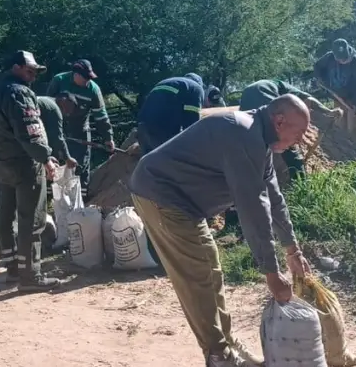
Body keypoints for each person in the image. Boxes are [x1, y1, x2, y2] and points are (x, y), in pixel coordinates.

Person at [129, 94, 313, 367]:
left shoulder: (260, 140)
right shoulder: (242, 133)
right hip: (161, 194)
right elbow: (253, 208)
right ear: (279, 120)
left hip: (183, 202)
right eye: (298, 132)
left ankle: (225, 342)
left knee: (210, 269)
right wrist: (272, 274)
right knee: (199, 276)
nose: (299, 140)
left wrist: (292, 249)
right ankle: (218, 355)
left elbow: (274, 198)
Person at [0, 50, 60, 292]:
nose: (34, 75)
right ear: (15, 67)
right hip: (25, 164)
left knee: (6, 216)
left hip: (0, 162)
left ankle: (12, 269)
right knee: (31, 221)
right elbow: (30, 131)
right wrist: (45, 158)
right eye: (30, 69)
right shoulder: (19, 92)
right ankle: (31, 276)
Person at [46, 59, 114, 201]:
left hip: (80, 127)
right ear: (75, 74)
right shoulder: (59, 81)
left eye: (90, 78)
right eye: (85, 78)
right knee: (54, 158)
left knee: (81, 163)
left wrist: (108, 138)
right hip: (59, 125)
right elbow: (49, 106)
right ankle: (50, 196)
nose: (88, 81)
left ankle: (82, 199)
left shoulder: (93, 90)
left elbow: (101, 116)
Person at [239, 79, 330, 181]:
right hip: (265, 111)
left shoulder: (270, 93)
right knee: (290, 147)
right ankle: (301, 182)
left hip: (246, 106)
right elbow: (309, 99)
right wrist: (328, 111)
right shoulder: (286, 93)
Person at [313, 38, 356, 139]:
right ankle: (344, 151)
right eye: (339, 58)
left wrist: (355, 104)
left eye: (344, 58)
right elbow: (317, 67)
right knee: (340, 124)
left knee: (354, 126)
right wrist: (319, 78)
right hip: (339, 96)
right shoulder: (329, 57)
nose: (342, 60)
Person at [137, 73, 205, 154]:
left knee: (148, 160)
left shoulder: (170, 82)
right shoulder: (196, 87)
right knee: (168, 160)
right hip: (162, 129)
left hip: (142, 125)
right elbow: (192, 121)